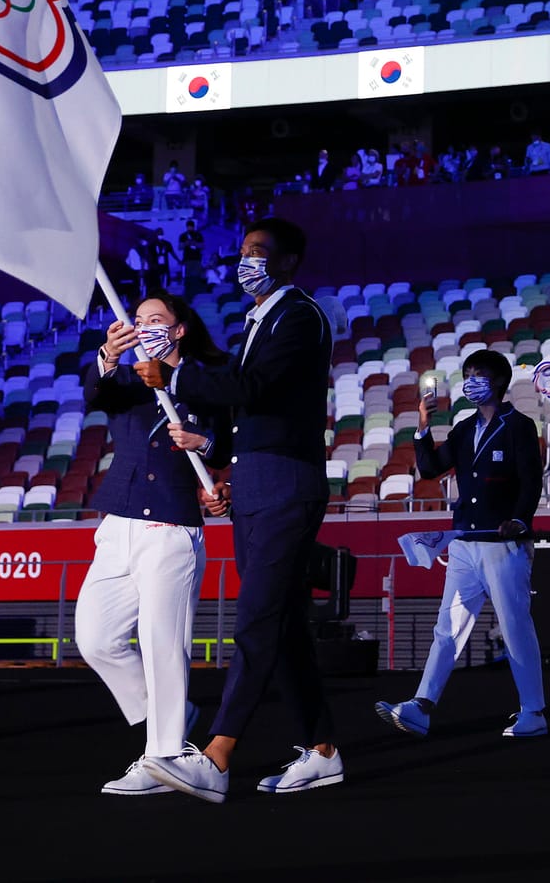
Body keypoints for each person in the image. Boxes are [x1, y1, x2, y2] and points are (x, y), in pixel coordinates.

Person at [139, 217, 342, 801]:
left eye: (260, 252)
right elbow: (240, 395)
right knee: (282, 625)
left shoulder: (299, 316)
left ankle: (218, 755)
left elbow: (251, 387)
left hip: (286, 482)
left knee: (255, 620)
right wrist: (220, 460)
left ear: (289, 262)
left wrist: (177, 369)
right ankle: (323, 749)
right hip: (256, 483)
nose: (246, 260)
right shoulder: (258, 320)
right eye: (244, 250)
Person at [77, 294, 232, 796]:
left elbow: (227, 445)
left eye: (156, 320)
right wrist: (109, 357)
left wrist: (202, 446)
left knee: (163, 646)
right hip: (118, 522)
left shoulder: (207, 379)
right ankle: (169, 715)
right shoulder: (125, 378)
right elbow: (94, 395)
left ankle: (162, 758)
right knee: (96, 639)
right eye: (139, 320)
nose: (145, 327)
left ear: (181, 329)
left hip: (171, 527)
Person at [377, 350, 547, 738]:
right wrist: (423, 427)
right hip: (464, 543)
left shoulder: (519, 426)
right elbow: (431, 468)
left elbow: (530, 480)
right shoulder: (463, 427)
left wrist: (520, 520)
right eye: (467, 374)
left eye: (479, 375)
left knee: (515, 626)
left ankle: (534, 713)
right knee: (447, 627)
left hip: (503, 545)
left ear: (500, 383)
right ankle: (421, 705)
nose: (471, 381)